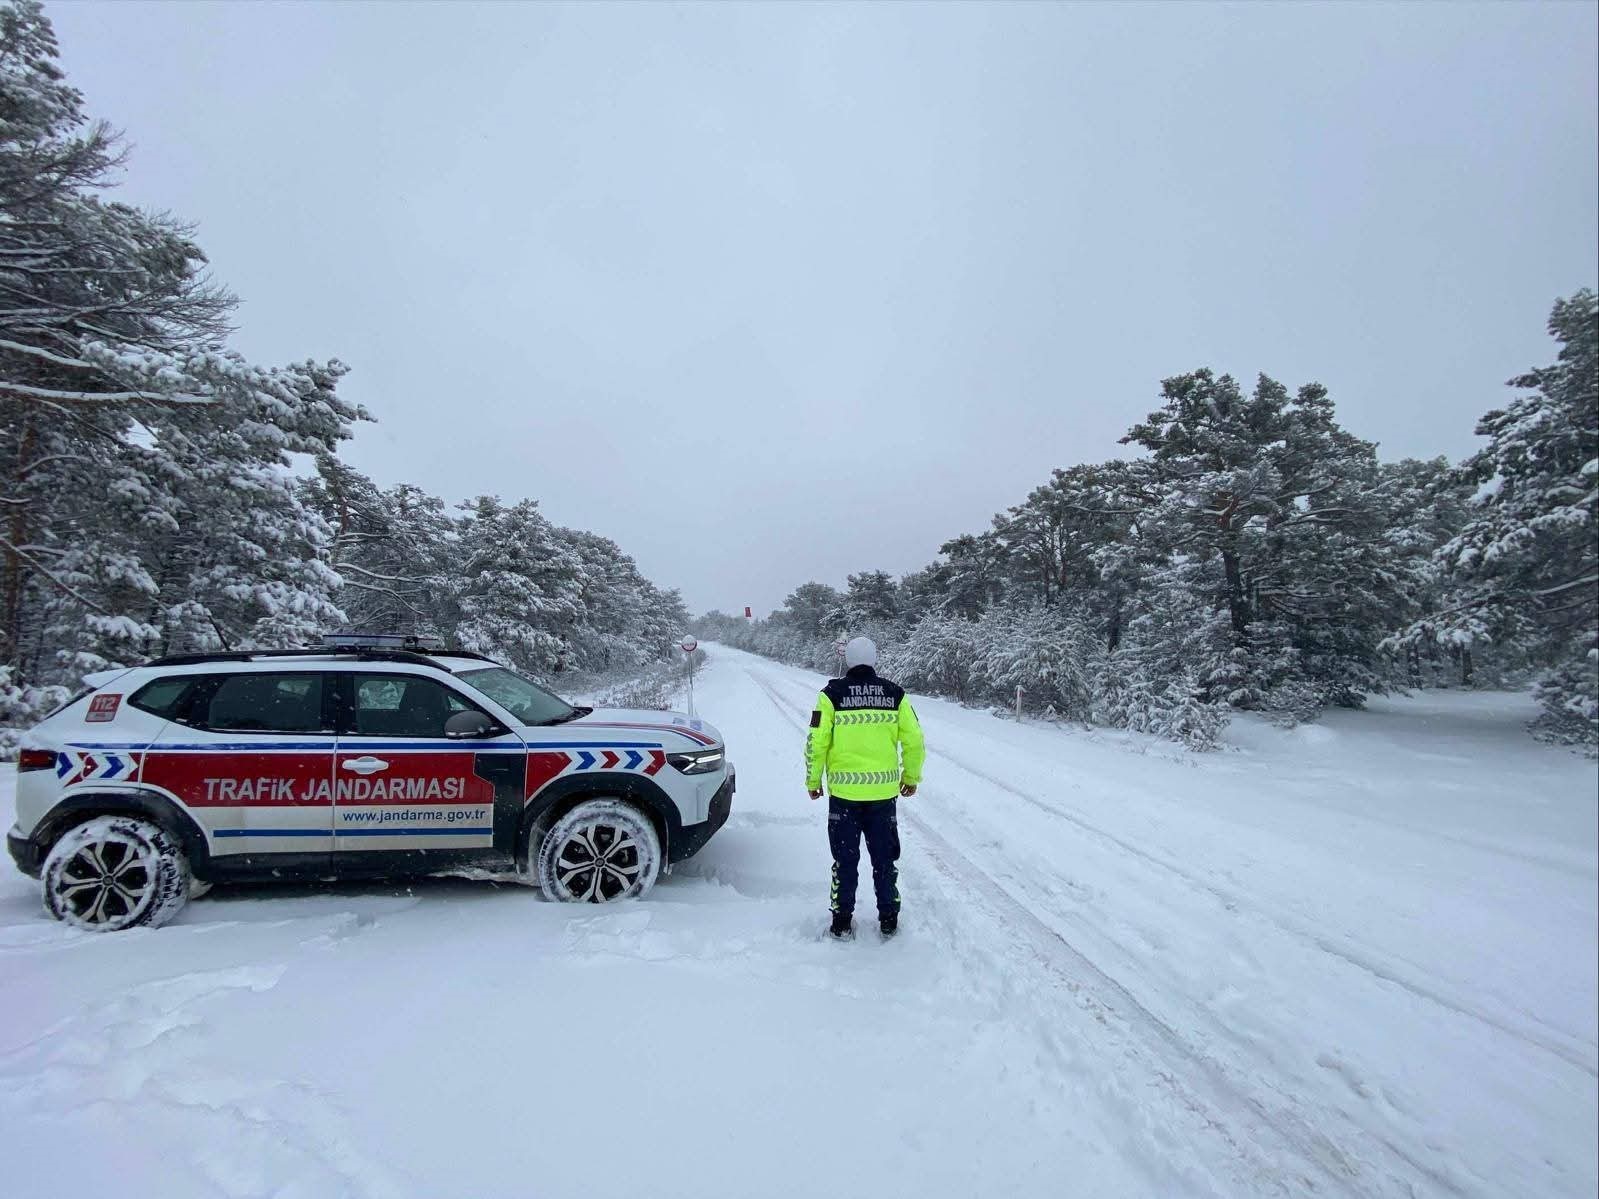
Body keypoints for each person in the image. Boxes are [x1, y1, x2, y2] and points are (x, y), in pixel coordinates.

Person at [805, 636, 925, 940]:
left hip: (844, 797)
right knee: (884, 860)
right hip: (883, 797)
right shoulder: (895, 694)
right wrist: (910, 777)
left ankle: (842, 921)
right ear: (874, 659)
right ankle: (888, 919)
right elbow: (914, 740)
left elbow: (816, 742)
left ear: (848, 660)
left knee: (845, 860)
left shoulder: (830, 695)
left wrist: (813, 780)